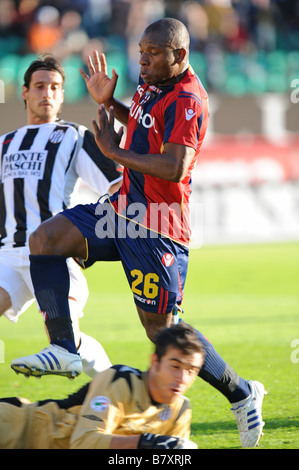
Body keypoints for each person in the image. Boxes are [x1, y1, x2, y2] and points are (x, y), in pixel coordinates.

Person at [11, 19, 266, 447]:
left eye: (151, 53)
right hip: (121, 208)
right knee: (46, 240)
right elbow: (146, 125)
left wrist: (112, 151)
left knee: (162, 332)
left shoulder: (188, 99)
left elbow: (176, 166)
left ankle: (242, 393)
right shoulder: (154, 80)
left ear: (179, 56)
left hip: (158, 225)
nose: (141, 60)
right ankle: (64, 347)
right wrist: (111, 104)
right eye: (141, 50)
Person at [0, 54, 123, 378]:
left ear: (63, 94)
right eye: (40, 86)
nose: (47, 94)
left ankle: (115, 386)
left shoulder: (74, 136)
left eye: (55, 87)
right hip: (9, 255)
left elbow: (116, 185)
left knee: (70, 345)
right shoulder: (4, 144)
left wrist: (97, 237)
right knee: (68, 345)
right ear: (24, 92)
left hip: (51, 252)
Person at [0, 323, 204, 449]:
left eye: (191, 371)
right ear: (155, 362)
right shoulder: (121, 381)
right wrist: (146, 443)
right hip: (17, 428)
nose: (182, 378)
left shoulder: (179, 411)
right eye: (175, 366)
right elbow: (83, 443)